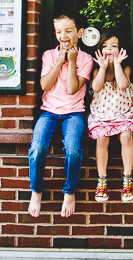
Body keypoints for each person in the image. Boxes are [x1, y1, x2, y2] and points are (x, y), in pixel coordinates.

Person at [29, 11, 93, 218]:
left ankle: (69, 191)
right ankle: (36, 191)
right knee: (37, 148)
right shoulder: (49, 55)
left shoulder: (86, 59)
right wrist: (59, 61)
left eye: (68, 31)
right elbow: (45, 86)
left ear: (79, 32)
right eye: (58, 31)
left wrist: (72, 61)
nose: (63, 36)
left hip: (73, 112)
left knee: (73, 148)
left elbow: (73, 89)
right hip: (49, 112)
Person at [88, 30, 133, 203]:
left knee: (126, 136)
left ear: (121, 49)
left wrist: (117, 64)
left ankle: (127, 179)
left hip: (123, 113)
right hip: (102, 114)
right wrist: (103, 67)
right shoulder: (97, 69)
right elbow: (96, 88)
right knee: (102, 139)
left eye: (114, 46)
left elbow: (124, 85)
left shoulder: (125, 68)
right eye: (105, 46)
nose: (109, 49)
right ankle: (102, 181)